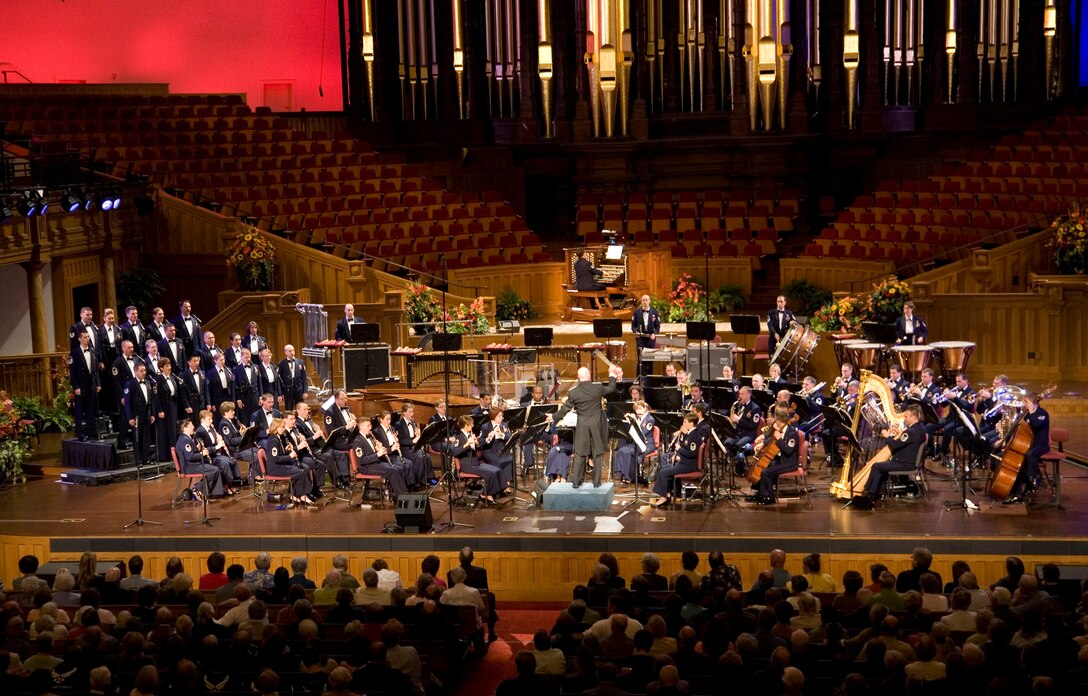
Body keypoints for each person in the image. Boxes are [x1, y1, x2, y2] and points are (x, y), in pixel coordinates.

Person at [549, 365, 621, 487]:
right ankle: (596, 482)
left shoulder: (573, 392)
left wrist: (554, 417)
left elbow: (566, 408)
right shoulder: (597, 388)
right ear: (589, 375)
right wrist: (611, 374)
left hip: (582, 424)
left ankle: (576, 482)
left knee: (580, 453)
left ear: (578, 377)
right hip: (596, 424)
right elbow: (612, 388)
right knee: (597, 453)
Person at [851, 404, 926, 510]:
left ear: (914, 417)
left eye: (906, 417)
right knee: (879, 467)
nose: (904, 419)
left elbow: (895, 445)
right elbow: (906, 441)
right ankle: (873, 494)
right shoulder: (919, 428)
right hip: (909, 461)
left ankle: (869, 496)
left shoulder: (911, 432)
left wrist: (887, 436)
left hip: (905, 463)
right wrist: (899, 433)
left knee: (876, 466)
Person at [1001, 391, 1050, 504]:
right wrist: (1005, 440)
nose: (1024, 405)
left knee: (1030, 454)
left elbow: (1036, 424)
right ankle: (1016, 492)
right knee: (1020, 463)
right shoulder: (1027, 414)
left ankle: (1035, 477)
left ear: (1033, 403)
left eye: (1026, 402)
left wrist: (1032, 411)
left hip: (1041, 445)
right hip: (1029, 445)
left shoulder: (1042, 413)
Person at [650, 413, 704, 507]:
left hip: (689, 465)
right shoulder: (690, 434)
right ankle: (667, 493)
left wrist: (679, 449)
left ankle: (664, 497)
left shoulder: (694, 435)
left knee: (663, 473)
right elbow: (687, 449)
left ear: (691, 424)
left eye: (685, 422)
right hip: (685, 462)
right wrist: (679, 456)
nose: (683, 423)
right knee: (665, 468)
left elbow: (691, 453)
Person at [748, 406, 800, 505]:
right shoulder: (781, 430)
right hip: (781, 459)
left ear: (780, 421)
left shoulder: (792, 433)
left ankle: (768, 497)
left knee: (766, 472)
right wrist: (764, 443)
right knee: (764, 466)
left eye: (776, 421)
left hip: (789, 463)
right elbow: (772, 439)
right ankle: (760, 492)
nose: (774, 423)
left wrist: (779, 439)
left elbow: (788, 451)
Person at [449, 415, 504, 503]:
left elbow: (478, 449)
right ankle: (486, 494)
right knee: (491, 473)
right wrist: (465, 446)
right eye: (471, 424)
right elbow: (454, 452)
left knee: (498, 470)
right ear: (466, 425)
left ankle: (494, 492)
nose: (473, 426)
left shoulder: (471, 435)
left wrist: (477, 444)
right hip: (468, 465)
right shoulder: (458, 437)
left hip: (476, 463)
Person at [262, 418, 313, 505]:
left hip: (278, 466)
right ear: (276, 427)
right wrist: (290, 456)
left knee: (300, 469)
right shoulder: (273, 440)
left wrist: (286, 450)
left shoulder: (278, 437)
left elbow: (279, 454)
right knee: (299, 472)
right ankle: (302, 495)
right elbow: (275, 459)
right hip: (275, 469)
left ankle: (295, 495)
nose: (284, 429)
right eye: (282, 427)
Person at [176, 418, 224, 499]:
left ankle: (212, 492)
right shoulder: (185, 440)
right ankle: (198, 489)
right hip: (189, 467)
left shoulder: (185, 438)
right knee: (214, 470)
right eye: (191, 426)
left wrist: (197, 449)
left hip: (191, 465)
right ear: (185, 428)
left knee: (215, 468)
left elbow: (190, 453)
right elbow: (190, 457)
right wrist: (202, 453)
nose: (193, 427)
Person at [69, 328, 101, 442]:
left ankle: (91, 431)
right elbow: (72, 372)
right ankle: (80, 433)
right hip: (80, 385)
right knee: (79, 409)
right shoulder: (74, 353)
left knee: (90, 409)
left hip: (91, 384)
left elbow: (95, 369)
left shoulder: (92, 351)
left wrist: (98, 383)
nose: (87, 339)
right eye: (84, 337)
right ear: (79, 339)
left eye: (88, 337)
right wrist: (76, 386)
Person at [612, 400, 655, 484]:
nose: (637, 411)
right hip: (637, 443)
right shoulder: (638, 418)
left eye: (639, 409)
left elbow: (642, 433)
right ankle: (622, 473)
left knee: (629, 452)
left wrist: (635, 421)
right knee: (621, 450)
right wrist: (630, 421)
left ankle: (629, 476)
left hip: (647, 444)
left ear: (645, 408)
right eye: (636, 409)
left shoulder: (650, 420)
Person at [122, 363, 156, 467]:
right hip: (136, 415)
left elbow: (151, 400)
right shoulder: (130, 384)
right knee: (137, 438)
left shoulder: (147, 382)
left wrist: (152, 414)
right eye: (141, 371)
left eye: (145, 370)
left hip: (147, 414)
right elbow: (127, 403)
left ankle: (146, 458)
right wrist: (130, 417)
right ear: (136, 371)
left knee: (146, 437)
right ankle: (139, 460)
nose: (144, 373)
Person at [725, 386, 762, 473]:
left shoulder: (755, 408)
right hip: (738, 433)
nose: (740, 396)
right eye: (739, 393)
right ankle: (735, 462)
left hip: (749, 434)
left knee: (738, 445)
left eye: (742, 394)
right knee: (727, 442)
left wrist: (738, 420)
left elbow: (753, 426)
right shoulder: (738, 405)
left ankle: (740, 468)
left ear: (749, 395)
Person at [632, 294, 661, 378]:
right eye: (643, 300)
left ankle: (650, 379)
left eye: (646, 300)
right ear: (641, 301)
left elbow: (658, 326)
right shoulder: (636, 312)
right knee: (640, 360)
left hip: (650, 340)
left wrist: (654, 334)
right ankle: (639, 379)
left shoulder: (654, 312)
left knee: (650, 360)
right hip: (641, 339)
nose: (645, 302)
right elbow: (633, 326)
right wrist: (636, 332)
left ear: (649, 301)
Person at [205, 352, 235, 425]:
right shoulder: (210, 373)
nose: (223, 361)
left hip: (227, 396)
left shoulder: (228, 370)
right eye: (221, 360)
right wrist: (212, 403)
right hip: (217, 399)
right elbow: (209, 390)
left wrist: (233, 400)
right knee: (219, 418)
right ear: (215, 361)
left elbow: (232, 386)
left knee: (229, 415)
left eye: (223, 359)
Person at [278, 344, 307, 411]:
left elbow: (304, 377)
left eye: (293, 350)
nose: (292, 352)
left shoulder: (300, 362)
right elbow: (280, 379)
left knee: (300, 408)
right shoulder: (281, 364)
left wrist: (305, 391)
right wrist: (281, 393)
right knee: (288, 409)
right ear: (285, 352)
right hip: (288, 391)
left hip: (299, 390)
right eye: (290, 351)